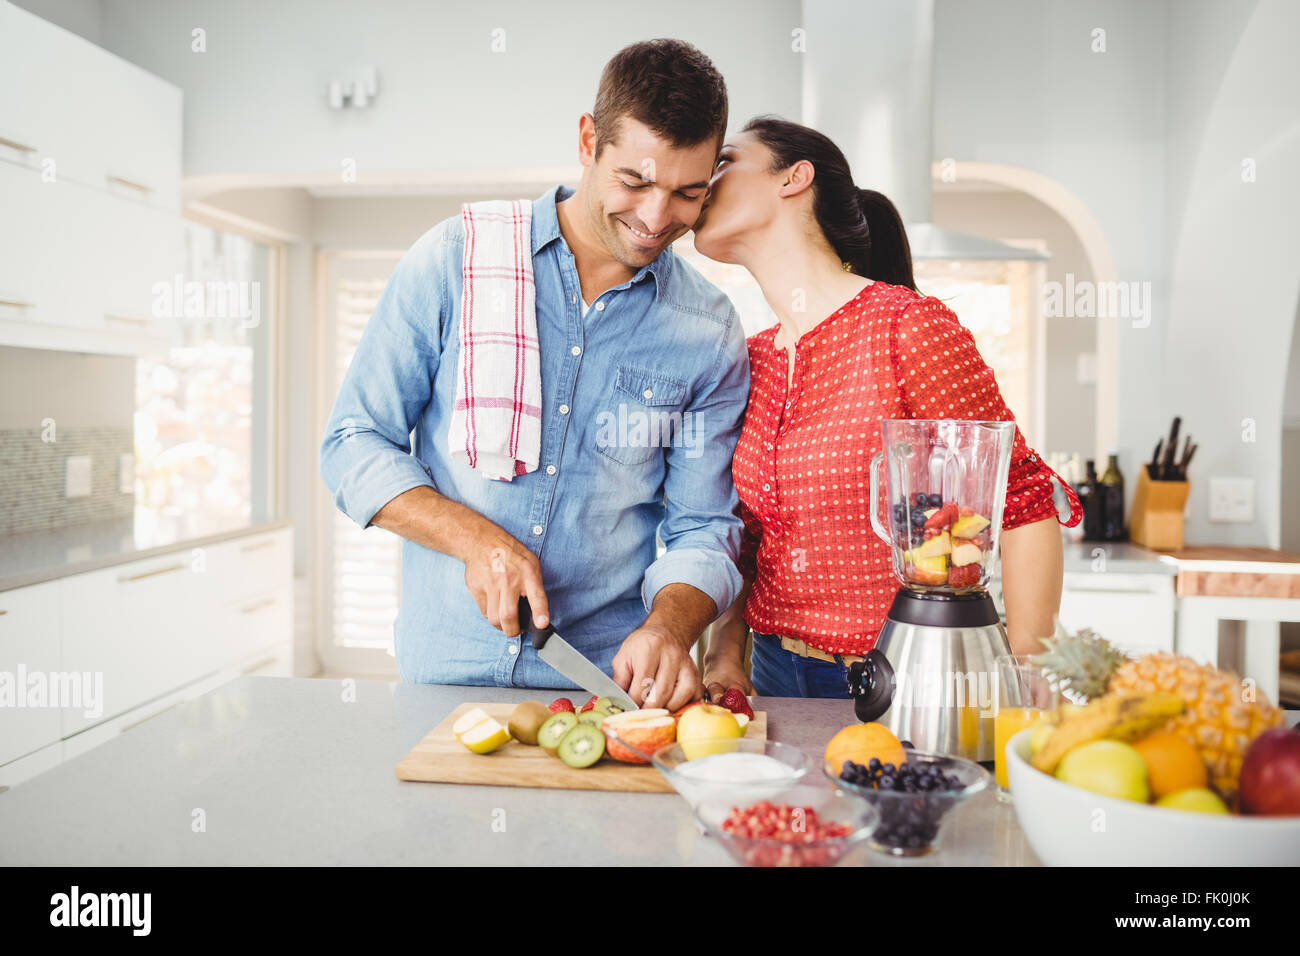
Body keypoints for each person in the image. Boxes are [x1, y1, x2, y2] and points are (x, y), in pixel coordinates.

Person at [320, 40, 748, 712]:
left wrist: (670, 628)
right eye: (634, 182)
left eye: (687, 193)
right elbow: (352, 440)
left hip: (602, 688)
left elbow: (702, 525)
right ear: (588, 139)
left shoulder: (707, 330)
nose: (657, 217)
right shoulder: (454, 259)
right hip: (445, 673)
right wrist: (474, 539)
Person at [693, 117, 1081, 701]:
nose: (702, 177)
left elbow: (1021, 499)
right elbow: (750, 540)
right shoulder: (754, 359)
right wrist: (725, 653)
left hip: (900, 671)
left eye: (724, 161)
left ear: (794, 179)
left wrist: (1026, 683)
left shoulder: (906, 326)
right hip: (774, 673)